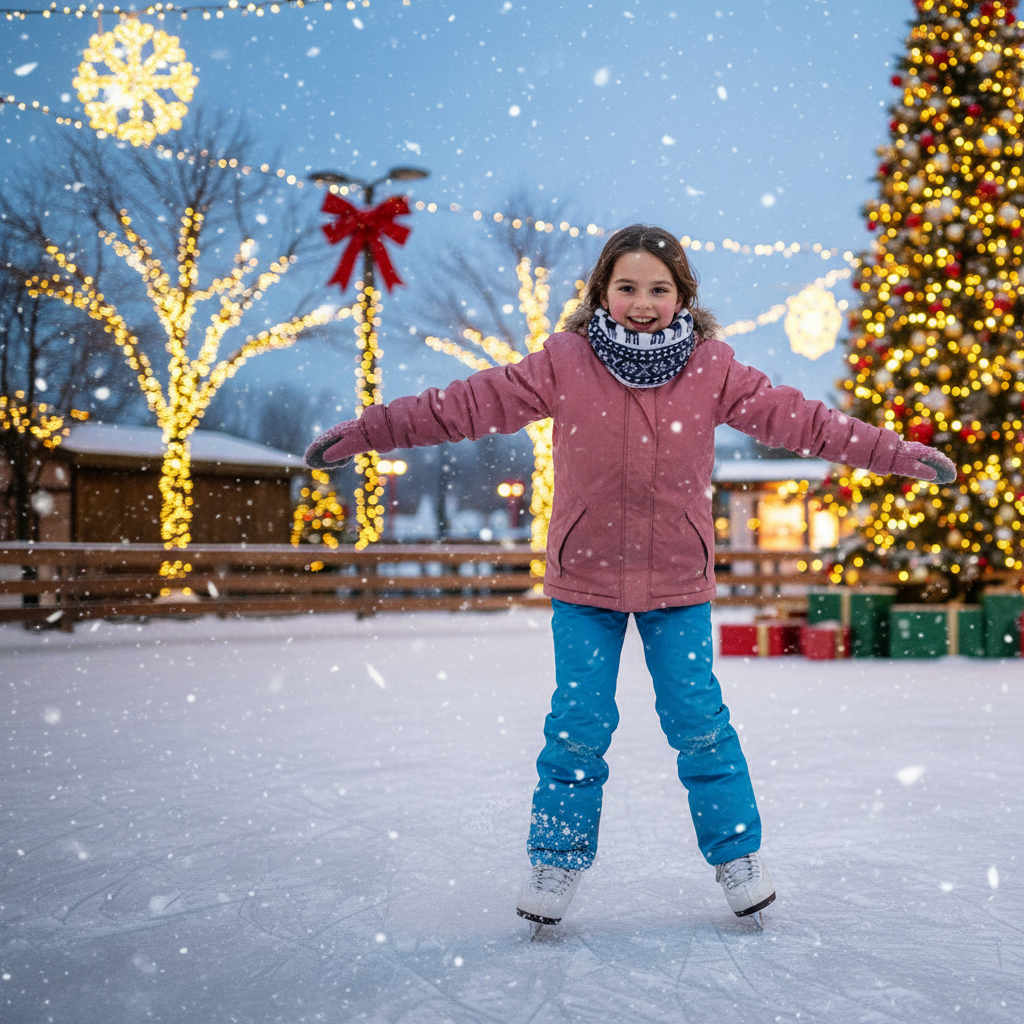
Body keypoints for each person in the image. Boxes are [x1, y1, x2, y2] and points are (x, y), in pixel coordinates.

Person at [305, 224, 956, 930]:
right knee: (577, 727)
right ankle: (555, 861)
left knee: (700, 724)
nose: (642, 303)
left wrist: (894, 454)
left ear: (682, 295)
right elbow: (463, 404)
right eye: (627, 288)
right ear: (602, 293)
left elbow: (805, 422)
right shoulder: (564, 362)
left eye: (658, 288)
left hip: (678, 583)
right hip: (585, 584)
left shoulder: (714, 369)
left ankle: (738, 857)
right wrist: (370, 431)